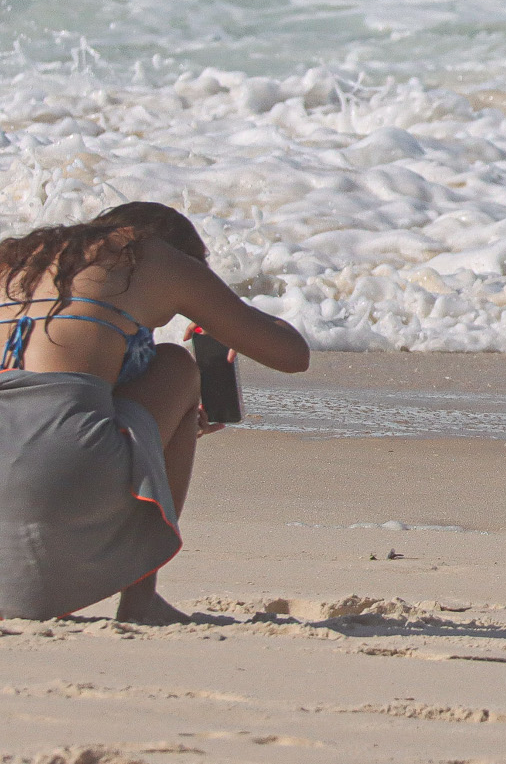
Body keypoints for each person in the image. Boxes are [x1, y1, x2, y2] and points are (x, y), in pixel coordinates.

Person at [0, 201, 309, 623]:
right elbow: (292, 355)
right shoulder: (152, 255)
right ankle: (140, 600)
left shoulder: (18, 260)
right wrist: (221, 319)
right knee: (178, 366)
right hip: (61, 473)